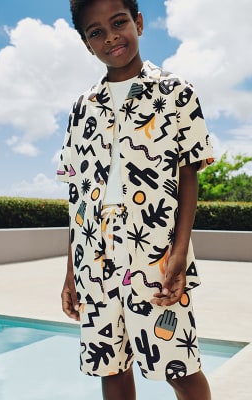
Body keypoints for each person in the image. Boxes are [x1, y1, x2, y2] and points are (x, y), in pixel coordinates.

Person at [56, 1, 214, 399]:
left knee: (178, 364)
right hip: (93, 254)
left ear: (138, 22)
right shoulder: (82, 108)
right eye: (95, 32)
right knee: (111, 367)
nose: (110, 36)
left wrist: (178, 252)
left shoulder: (176, 93)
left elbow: (188, 174)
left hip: (152, 248)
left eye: (118, 22)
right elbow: (76, 195)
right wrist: (72, 269)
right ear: (86, 43)